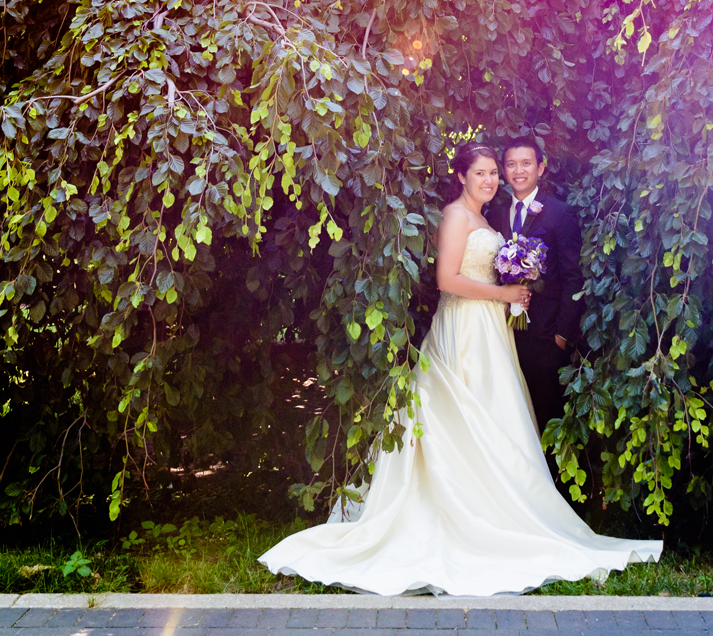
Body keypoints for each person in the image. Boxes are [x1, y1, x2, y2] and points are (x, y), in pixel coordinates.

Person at [257, 145, 661, 596]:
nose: (491, 180)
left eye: (494, 173)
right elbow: (446, 280)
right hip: (464, 331)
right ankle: (459, 515)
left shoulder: (489, 219)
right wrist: (505, 295)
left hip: (491, 333)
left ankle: (494, 510)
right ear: (463, 176)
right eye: (481, 173)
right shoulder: (456, 216)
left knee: (492, 421)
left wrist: (510, 291)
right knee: (458, 417)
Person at [484, 135, 579, 430]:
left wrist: (561, 336)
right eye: (511, 164)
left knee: (547, 416)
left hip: (545, 335)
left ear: (541, 167)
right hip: (504, 335)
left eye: (526, 163)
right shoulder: (494, 214)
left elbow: (573, 278)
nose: (518, 171)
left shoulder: (560, 213)